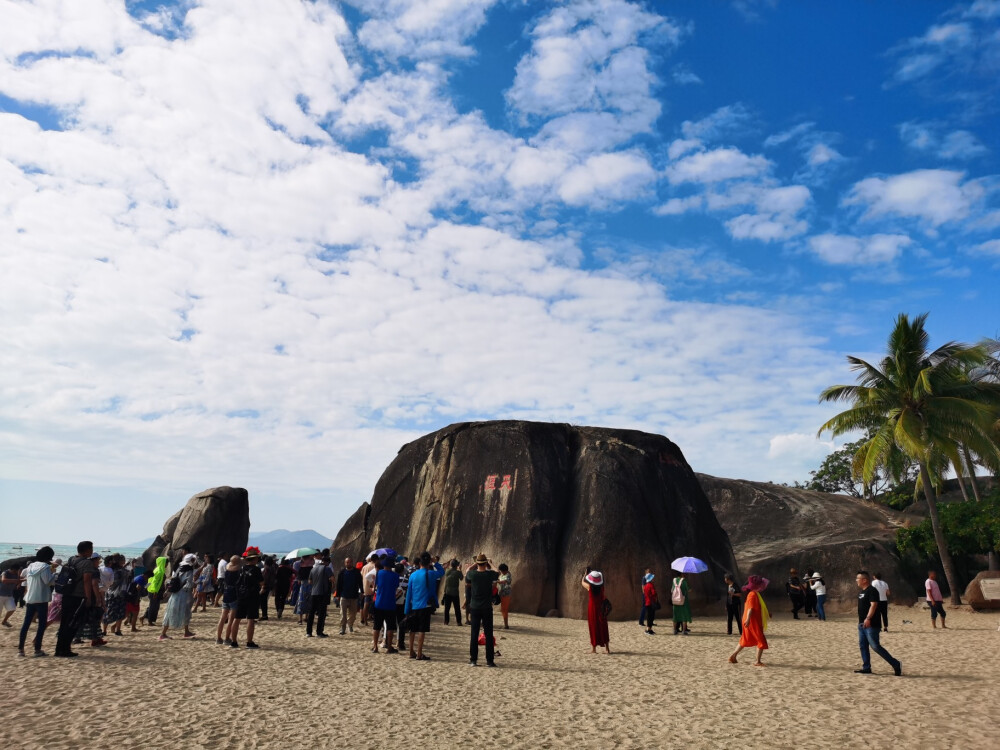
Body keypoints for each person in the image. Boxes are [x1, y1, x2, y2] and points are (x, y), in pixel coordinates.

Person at [55, 541, 100, 658]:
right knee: (73, 623)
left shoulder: (71, 559)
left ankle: (59, 649)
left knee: (64, 623)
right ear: (86, 550)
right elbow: (87, 581)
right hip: (78, 596)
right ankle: (65, 649)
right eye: (91, 549)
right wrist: (88, 597)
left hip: (67, 593)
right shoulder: (87, 563)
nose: (91, 551)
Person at [855, 570, 901, 676]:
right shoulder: (862, 592)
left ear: (864, 580)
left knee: (875, 646)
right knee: (863, 646)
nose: (856, 580)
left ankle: (896, 663)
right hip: (861, 624)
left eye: (858, 578)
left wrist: (868, 618)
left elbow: (874, 605)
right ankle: (866, 667)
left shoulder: (872, 590)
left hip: (871, 623)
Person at [403, 551, 442, 661]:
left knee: (412, 630)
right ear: (428, 562)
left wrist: (406, 610)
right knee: (422, 630)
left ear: (419, 562)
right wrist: (436, 563)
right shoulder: (432, 574)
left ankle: (411, 651)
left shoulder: (413, 575)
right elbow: (441, 572)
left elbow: (409, 593)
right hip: (426, 605)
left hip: (414, 605)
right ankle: (419, 653)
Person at [19, 546, 56, 657]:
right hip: (41, 599)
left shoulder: (31, 566)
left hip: (30, 598)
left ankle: (20, 650)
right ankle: (37, 650)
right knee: (41, 625)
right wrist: (54, 574)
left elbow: (26, 576)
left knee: (26, 624)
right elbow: (48, 582)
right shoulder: (45, 567)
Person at [467, 553, 501, 666]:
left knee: (474, 634)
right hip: (486, 607)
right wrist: (490, 563)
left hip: (475, 607)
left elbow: (467, 571)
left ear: (477, 563)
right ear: (485, 563)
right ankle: (489, 661)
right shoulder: (489, 574)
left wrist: (475, 563)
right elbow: (498, 572)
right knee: (488, 633)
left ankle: (473, 660)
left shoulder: (472, 574)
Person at [729, 574, 769, 666]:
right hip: (752, 621)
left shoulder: (754, 594)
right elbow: (751, 608)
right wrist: (748, 619)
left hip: (750, 620)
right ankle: (757, 661)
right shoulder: (753, 595)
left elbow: (757, 607)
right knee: (760, 640)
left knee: (745, 639)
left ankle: (733, 655)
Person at [229, 547, 263, 649]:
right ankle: (249, 642)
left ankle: (234, 641)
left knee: (237, 619)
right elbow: (262, 582)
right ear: (254, 559)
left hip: (241, 595)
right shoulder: (256, 569)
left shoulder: (242, 568)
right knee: (250, 619)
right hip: (252, 596)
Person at [159, 553, 197, 641]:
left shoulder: (178, 568)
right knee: (186, 612)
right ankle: (185, 632)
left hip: (175, 594)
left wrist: (167, 590)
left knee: (170, 612)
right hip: (184, 594)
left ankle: (164, 633)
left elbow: (172, 580)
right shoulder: (189, 570)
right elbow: (188, 584)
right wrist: (194, 585)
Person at [371, 557, 400, 654]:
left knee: (377, 626)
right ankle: (389, 647)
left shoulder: (379, 573)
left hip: (379, 602)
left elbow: (377, 585)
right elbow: (396, 587)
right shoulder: (395, 575)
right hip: (390, 603)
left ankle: (375, 646)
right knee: (390, 627)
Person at [582, 569, 610, 654]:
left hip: (592, 609)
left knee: (593, 627)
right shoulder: (601, 588)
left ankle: (594, 649)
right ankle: (607, 649)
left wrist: (584, 575)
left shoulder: (590, 587)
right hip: (601, 608)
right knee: (604, 627)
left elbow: (582, 582)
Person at [306, 553, 334, 638]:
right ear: (328, 562)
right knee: (322, 614)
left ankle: (309, 632)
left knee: (311, 613)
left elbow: (309, 581)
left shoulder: (313, 569)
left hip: (314, 592)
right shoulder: (327, 568)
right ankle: (319, 632)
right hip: (323, 593)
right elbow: (332, 579)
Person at [216, 555, 241, 644]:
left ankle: (218, 638)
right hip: (234, 595)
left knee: (222, 617)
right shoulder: (238, 572)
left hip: (226, 594)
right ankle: (227, 638)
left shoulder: (227, 571)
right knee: (231, 619)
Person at [335, 557, 363, 634]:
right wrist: (338, 595)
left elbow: (360, 583)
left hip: (354, 596)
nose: (348, 563)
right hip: (344, 596)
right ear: (345, 563)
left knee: (353, 614)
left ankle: (350, 625)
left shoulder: (357, 572)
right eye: (347, 562)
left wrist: (362, 592)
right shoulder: (342, 572)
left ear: (352, 562)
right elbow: (339, 584)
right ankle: (342, 628)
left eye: (350, 562)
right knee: (343, 614)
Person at [143, 556, 167, 626]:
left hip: (157, 591)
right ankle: (149, 621)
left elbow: (151, 580)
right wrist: (154, 591)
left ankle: (145, 617)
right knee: (153, 606)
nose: (167, 565)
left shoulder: (158, 570)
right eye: (166, 563)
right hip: (155, 591)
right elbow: (154, 582)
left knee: (155, 606)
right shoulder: (159, 571)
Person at [442, 559, 463, 626]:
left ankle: (446, 621)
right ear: (456, 565)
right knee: (457, 608)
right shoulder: (458, 572)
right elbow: (461, 578)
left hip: (447, 592)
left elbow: (445, 566)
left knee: (447, 608)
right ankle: (459, 622)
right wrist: (460, 569)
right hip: (455, 592)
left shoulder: (447, 571)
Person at [259, 555, 276, 620]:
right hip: (269, 586)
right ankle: (264, 615)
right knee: (264, 601)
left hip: (265, 586)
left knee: (262, 601)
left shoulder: (267, 569)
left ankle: (264, 615)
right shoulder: (273, 568)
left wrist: (263, 587)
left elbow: (265, 578)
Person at [497, 563, 512, 629]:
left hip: (506, 594)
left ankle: (506, 625)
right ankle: (505, 624)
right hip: (502, 593)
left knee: (504, 609)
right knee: (503, 609)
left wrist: (499, 582)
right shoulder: (502, 574)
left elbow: (507, 581)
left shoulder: (508, 575)